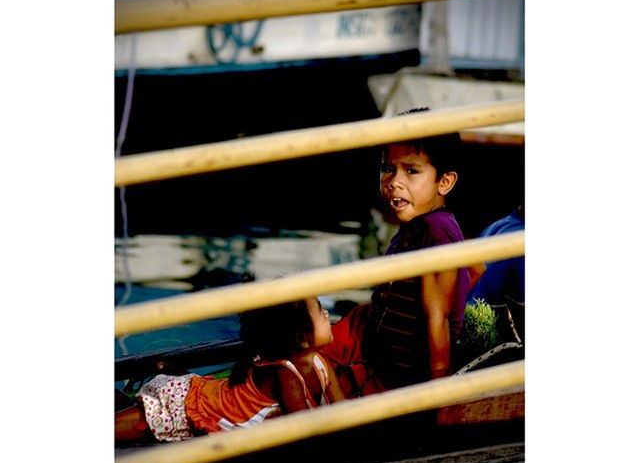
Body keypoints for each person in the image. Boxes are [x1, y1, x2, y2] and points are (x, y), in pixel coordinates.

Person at [322, 108, 484, 391]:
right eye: (388, 168)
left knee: (309, 366)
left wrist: (435, 396)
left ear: (444, 182)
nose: (394, 182)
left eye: (411, 171)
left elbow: (439, 318)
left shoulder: (436, 231)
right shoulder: (419, 225)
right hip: (377, 358)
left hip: (397, 378)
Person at [115, 298, 348, 442]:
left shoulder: (320, 362)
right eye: (320, 312)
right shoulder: (284, 375)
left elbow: (344, 408)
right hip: (189, 406)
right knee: (139, 425)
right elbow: (305, 432)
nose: (327, 315)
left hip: (210, 400)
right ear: (301, 338)